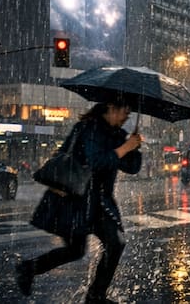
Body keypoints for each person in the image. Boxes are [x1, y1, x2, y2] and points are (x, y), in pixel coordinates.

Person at [17, 98, 143, 303]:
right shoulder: (88, 129)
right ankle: (29, 268)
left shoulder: (117, 135)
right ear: (111, 107)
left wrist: (134, 147)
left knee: (115, 244)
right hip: (76, 200)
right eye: (124, 113)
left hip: (100, 202)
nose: (126, 118)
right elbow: (95, 162)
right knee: (76, 250)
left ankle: (95, 296)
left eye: (129, 114)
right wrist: (124, 149)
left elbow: (132, 167)